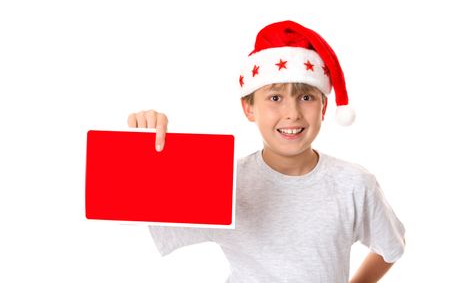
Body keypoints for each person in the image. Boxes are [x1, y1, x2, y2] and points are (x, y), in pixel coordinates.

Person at [127, 20, 406, 282]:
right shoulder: (224, 181)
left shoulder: (354, 184)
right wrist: (142, 146)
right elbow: (134, 206)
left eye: (306, 97)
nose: (292, 113)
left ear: (323, 107)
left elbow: (391, 246)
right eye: (275, 98)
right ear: (249, 108)